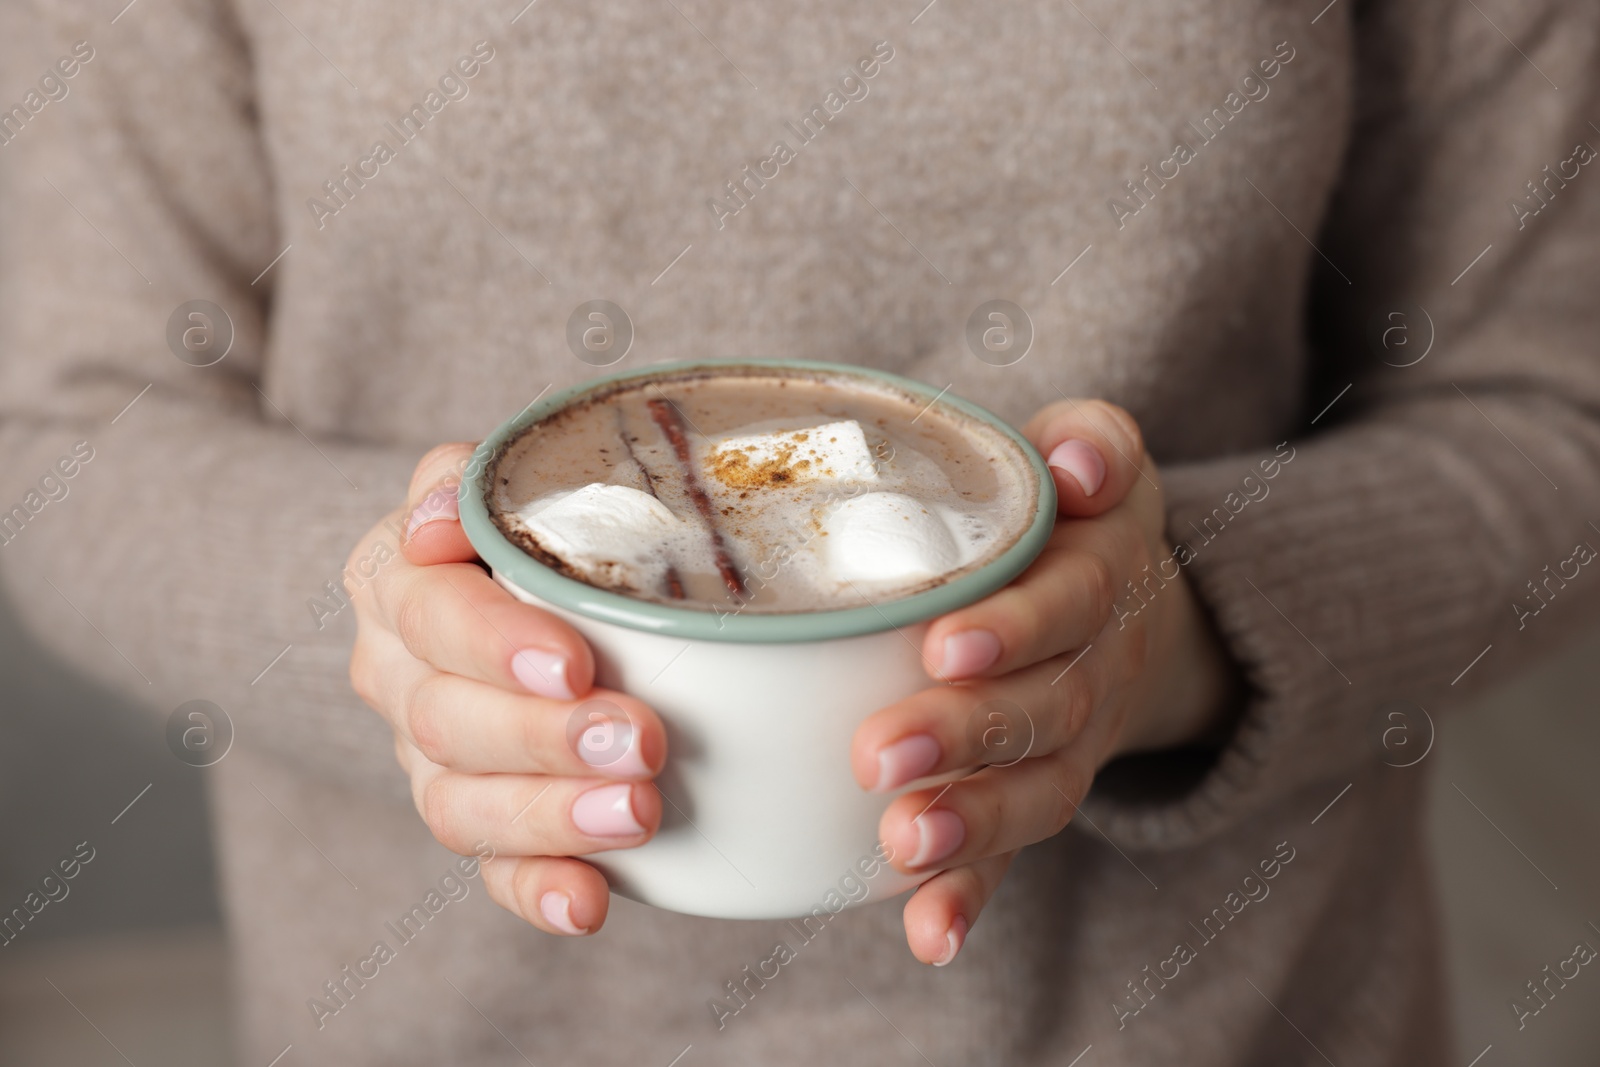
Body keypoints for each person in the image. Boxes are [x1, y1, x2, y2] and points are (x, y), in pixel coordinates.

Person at [1, 1, 1596, 1064]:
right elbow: (72, 422)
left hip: (1238, 1018)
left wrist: (1172, 633)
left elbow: (1553, 403)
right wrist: (394, 634)